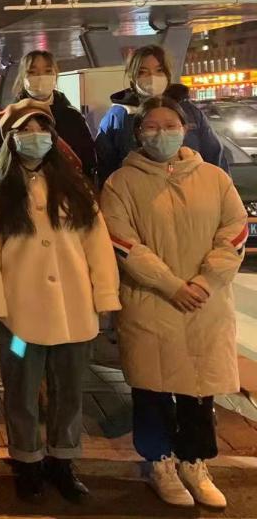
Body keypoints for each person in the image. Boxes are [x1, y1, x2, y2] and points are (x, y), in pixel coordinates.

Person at [0, 99, 120, 504]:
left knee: (68, 389)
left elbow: (97, 244)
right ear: (10, 139)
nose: (34, 137)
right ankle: (26, 460)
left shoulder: (74, 185)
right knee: (20, 386)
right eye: (24, 130)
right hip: (18, 321)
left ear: (53, 136)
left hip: (75, 313)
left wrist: (105, 293)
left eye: (41, 129)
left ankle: (63, 460)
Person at [100, 96, 246, 510]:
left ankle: (195, 463)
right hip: (151, 301)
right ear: (138, 133)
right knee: (152, 389)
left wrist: (205, 280)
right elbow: (122, 241)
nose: (161, 133)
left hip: (204, 303)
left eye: (170, 125)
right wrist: (170, 284)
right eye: (152, 126)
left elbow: (235, 231)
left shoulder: (215, 179)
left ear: (185, 129)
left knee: (199, 390)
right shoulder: (120, 183)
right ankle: (160, 463)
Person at [96, 44, 225, 185]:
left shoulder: (190, 112)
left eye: (159, 70)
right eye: (142, 72)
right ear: (133, 77)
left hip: (192, 191)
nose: (152, 77)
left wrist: (218, 189)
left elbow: (214, 156)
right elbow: (105, 167)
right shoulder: (117, 117)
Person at [0, 50, 97, 182]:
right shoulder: (10, 119)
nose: (40, 77)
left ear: (56, 75)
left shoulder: (73, 117)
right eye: (32, 72)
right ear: (22, 78)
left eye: (48, 71)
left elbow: (88, 161)